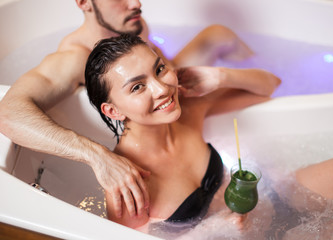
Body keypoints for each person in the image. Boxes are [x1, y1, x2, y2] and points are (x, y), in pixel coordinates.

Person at [0, 0, 253, 219]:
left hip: (169, 95)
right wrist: (98, 156)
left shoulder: (132, 23)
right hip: (147, 118)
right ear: (83, 2)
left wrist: (213, 78)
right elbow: (8, 112)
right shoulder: (75, 58)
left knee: (220, 34)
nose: (136, 4)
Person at [84, 34, 281, 230]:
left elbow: (270, 84)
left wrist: (220, 76)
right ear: (113, 111)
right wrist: (213, 229)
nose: (161, 88)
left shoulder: (190, 107)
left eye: (159, 69)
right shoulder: (127, 184)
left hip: (269, 202)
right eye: (137, 87)